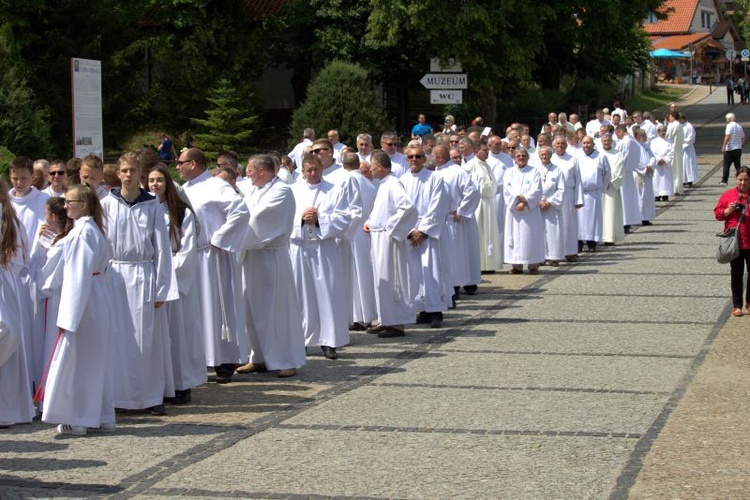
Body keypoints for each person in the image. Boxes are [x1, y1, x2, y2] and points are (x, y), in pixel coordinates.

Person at [213, 154, 305, 378]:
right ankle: (259, 356)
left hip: (270, 258)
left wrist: (229, 237)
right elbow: (241, 212)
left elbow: (257, 220)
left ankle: (285, 359)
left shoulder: (281, 191)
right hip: (251, 257)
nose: (247, 175)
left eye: (251, 171)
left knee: (274, 311)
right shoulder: (254, 190)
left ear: (262, 171)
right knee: (251, 309)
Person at [102, 153, 177, 414]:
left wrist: (162, 287)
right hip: (115, 275)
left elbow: (162, 249)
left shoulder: (152, 205)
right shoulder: (107, 204)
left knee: (146, 338)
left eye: (133, 170)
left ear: (139, 174)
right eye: (124, 170)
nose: (128, 175)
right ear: (118, 173)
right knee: (117, 339)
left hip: (143, 274)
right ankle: (117, 397)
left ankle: (149, 397)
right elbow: (101, 244)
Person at [41, 184, 115, 436]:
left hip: (85, 302)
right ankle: (101, 414)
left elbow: (77, 276)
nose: (65, 206)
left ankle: (79, 417)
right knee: (94, 360)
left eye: (69, 201)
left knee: (79, 360)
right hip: (96, 298)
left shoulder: (83, 233)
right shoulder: (90, 230)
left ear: (82, 205)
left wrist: (68, 317)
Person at [177, 148, 248, 383]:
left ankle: (224, 361)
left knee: (218, 307)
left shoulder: (217, 186)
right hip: (191, 256)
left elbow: (240, 210)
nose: (177, 167)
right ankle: (200, 358)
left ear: (194, 163)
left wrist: (219, 238)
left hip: (212, 255)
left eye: (180, 162)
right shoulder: (183, 190)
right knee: (195, 309)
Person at [148, 165, 205, 405]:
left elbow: (188, 246)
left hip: (175, 275)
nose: (154, 185)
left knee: (180, 334)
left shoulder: (181, 212)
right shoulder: (145, 209)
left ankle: (182, 383)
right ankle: (158, 384)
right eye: (150, 180)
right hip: (153, 277)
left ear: (168, 183)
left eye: (159, 180)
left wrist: (169, 272)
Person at [288, 155, 351, 359]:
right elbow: (284, 216)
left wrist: (319, 220)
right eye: (308, 170)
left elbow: (344, 217)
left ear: (322, 168)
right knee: (300, 294)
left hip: (324, 248)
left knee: (327, 293)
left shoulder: (335, 190)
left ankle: (329, 341)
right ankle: (301, 341)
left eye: (315, 169)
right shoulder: (293, 190)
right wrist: (300, 219)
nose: (312, 174)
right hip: (299, 246)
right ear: (302, 170)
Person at [364, 150, 418, 338]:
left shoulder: (394, 184)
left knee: (393, 280)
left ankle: (397, 323)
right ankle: (385, 318)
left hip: (389, 240)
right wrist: (371, 222)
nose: (370, 170)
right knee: (382, 281)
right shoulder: (383, 184)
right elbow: (383, 210)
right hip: (379, 237)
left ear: (379, 166)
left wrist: (391, 228)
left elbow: (408, 207)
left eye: (372, 166)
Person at [400, 145, 449, 328]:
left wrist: (424, 230)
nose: (414, 159)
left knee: (431, 270)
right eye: (410, 157)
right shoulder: (402, 180)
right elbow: (399, 207)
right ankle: (420, 309)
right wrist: (410, 230)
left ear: (424, 158)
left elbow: (438, 206)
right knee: (414, 272)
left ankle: (435, 310)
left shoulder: (435, 179)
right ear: (407, 160)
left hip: (428, 233)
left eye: (418, 156)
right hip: (410, 233)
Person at [0, 177, 35, 428]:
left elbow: (23, 254)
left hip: (6, 279)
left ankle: (8, 410)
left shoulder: (9, 217)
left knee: (9, 330)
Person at [714, 167, 750, 317]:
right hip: (734, 241)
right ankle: (737, 305)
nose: (743, 182)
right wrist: (728, 211)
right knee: (736, 273)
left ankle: (749, 302)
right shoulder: (729, 195)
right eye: (740, 179)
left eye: (746, 180)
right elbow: (718, 214)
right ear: (736, 179)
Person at [503, 147, 545, 274]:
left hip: (530, 212)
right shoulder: (509, 172)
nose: (521, 158)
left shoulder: (534, 172)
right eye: (518, 156)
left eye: (523, 155)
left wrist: (525, 201)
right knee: (514, 237)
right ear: (514, 158)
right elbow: (507, 188)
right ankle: (516, 265)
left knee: (531, 237)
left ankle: (533, 264)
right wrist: (517, 200)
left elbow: (537, 190)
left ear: (528, 157)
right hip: (514, 210)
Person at [551, 135, 584, 262]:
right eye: (557, 144)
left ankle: (570, 251)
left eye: (562, 144)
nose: (560, 146)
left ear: (566, 145)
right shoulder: (550, 159)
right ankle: (554, 254)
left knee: (569, 224)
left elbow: (578, 179)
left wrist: (578, 199)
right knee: (555, 225)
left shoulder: (572, 160)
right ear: (553, 146)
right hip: (554, 196)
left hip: (568, 195)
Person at [576, 136, 611, 252]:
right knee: (579, 219)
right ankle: (579, 242)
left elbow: (607, 173)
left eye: (588, 143)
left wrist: (602, 188)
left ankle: (592, 242)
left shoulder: (601, 156)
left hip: (594, 192)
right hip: (580, 192)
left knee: (593, 218)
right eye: (584, 143)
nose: (586, 145)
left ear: (593, 144)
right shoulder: (577, 156)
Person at [536, 146, 565, 266]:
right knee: (539, 231)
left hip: (551, 206)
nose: (544, 157)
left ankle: (554, 257)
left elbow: (561, 189)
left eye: (546, 154)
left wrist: (550, 201)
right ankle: (540, 256)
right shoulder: (535, 169)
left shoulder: (557, 170)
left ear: (550, 155)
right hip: (538, 205)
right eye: (542, 155)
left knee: (553, 232)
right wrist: (538, 201)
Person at [651, 125, 675, 202]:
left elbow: (671, 152)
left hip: (665, 164)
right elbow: (652, 152)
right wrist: (658, 160)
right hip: (657, 164)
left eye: (665, 131)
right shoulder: (654, 141)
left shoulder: (669, 141)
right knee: (656, 179)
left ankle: (665, 194)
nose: (664, 132)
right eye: (662, 131)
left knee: (665, 179)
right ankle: (656, 195)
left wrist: (664, 159)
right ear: (658, 132)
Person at [720, 113, 745, 186]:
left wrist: (724, 146)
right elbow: (743, 137)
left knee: (726, 165)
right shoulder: (739, 126)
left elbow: (727, 136)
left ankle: (724, 180)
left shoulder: (729, 126)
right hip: (738, 149)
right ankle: (740, 179)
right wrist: (740, 145)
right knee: (738, 166)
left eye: (726, 119)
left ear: (730, 119)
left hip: (730, 149)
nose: (726, 120)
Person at [665, 111, 684, 196]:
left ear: (673, 117)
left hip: (673, 149)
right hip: (679, 149)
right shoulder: (680, 125)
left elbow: (667, 137)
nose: (669, 118)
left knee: (673, 169)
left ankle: (673, 188)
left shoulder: (672, 126)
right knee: (679, 170)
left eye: (670, 117)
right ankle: (678, 187)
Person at [680, 114, 698, 188]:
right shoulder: (681, 126)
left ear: (682, 119)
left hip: (688, 149)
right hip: (681, 148)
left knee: (688, 165)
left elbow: (691, 138)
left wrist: (682, 143)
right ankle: (683, 180)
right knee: (682, 165)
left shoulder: (689, 126)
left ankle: (689, 180)